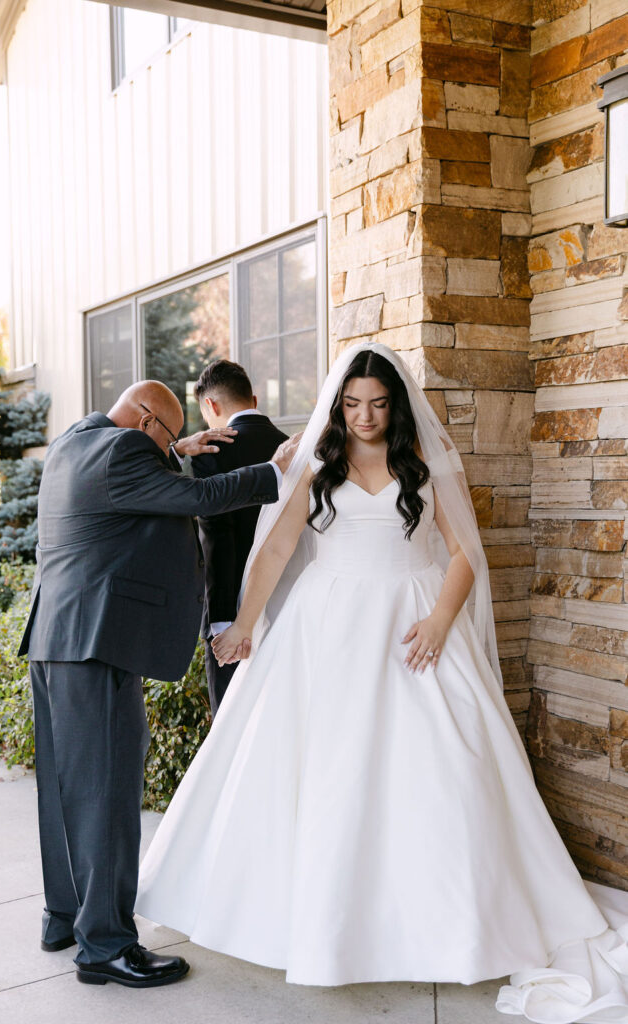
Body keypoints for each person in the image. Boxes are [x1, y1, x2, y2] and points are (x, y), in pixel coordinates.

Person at [135, 346, 628, 1021]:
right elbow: (277, 548)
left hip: (413, 620)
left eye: (377, 403)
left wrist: (437, 622)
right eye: (352, 404)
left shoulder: (422, 465)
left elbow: (463, 554)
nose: (364, 416)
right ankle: (319, 924)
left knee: (448, 766)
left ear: (394, 406)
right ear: (337, 406)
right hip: (325, 622)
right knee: (318, 768)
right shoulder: (314, 461)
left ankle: (454, 922)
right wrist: (246, 625)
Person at [18, 379, 298, 988]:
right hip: (96, 644)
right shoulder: (123, 454)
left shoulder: (75, 440)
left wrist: (177, 446)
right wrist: (271, 471)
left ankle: (63, 917)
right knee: (109, 797)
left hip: (55, 638)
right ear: (145, 424)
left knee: (66, 790)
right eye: (165, 439)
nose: (167, 449)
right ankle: (107, 948)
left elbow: (140, 472)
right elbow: (198, 498)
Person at [192, 359, 288, 716]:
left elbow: (216, 540)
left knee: (231, 726)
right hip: (293, 603)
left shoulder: (211, 451)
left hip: (234, 613)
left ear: (211, 406)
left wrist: (220, 620)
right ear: (255, 399)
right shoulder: (293, 448)